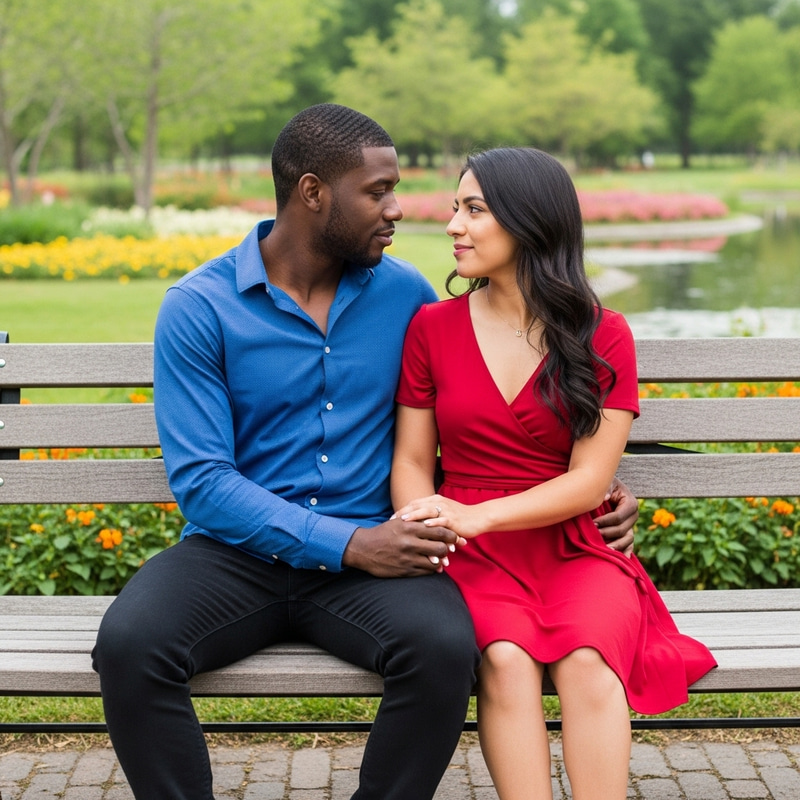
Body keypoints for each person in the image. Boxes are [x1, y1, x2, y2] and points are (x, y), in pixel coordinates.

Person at [92, 106, 638, 800]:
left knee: (442, 649)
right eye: (377, 192)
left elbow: (509, 388)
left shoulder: (407, 297)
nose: (398, 209)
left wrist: (603, 486)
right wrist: (351, 543)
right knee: (131, 645)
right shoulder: (199, 307)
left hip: (377, 556)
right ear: (314, 193)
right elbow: (203, 483)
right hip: (238, 554)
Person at [391, 147, 717, 800]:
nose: (453, 224)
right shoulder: (432, 327)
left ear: (530, 221)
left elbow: (591, 481)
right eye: (456, 208)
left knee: (588, 660)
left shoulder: (604, 334)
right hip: (470, 552)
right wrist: (429, 524)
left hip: (575, 544)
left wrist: (476, 515)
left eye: (474, 210)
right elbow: (412, 461)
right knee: (506, 660)